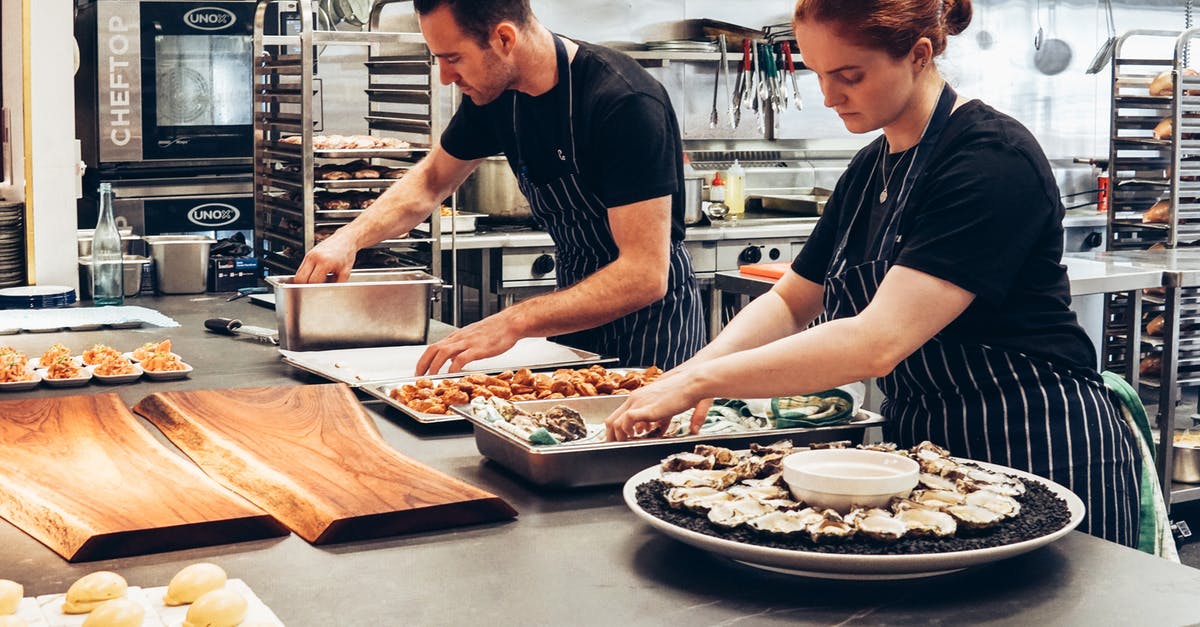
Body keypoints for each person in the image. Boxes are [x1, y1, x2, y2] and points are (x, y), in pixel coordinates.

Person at [605, 0, 1141, 547]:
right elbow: (792, 301)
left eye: (849, 76)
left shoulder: (989, 159)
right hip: (927, 452)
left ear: (919, 54)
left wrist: (704, 381)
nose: (829, 96)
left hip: (1035, 439)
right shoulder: (869, 168)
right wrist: (683, 376)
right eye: (818, 74)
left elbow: (876, 342)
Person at [293, 0, 705, 374]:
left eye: (453, 58)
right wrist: (348, 238)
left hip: (652, 334)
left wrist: (513, 321)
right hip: (573, 317)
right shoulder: (495, 97)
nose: (445, 77)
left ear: (504, 38)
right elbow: (431, 181)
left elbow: (645, 275)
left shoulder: (622, 101)